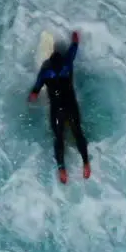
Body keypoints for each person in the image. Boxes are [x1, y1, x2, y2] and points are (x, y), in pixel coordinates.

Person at [28, 30, 91, 183]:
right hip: (70, 106)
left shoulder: (45, 71)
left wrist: (33, 95)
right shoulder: (67, 64)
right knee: (78, 132)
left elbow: (36, 89)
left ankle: (62, 168)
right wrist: (75, 40)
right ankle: (86, 163)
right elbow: (73, 49)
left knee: (59, 137)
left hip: (57, 110)